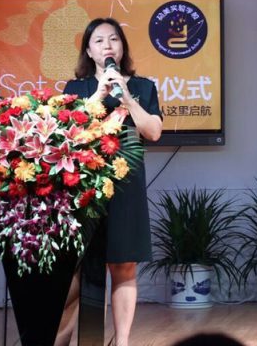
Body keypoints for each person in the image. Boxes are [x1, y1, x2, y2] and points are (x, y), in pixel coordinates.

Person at [64, 17, 163, 346]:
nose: (107, 45)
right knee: (79, 268)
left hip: (126, 184)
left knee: (123, 265)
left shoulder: (143, 87)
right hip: (85, 185)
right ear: (89, 51)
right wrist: (99, 94)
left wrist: (128, 99)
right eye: (99, 40)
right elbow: (68, 133)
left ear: (122, 47)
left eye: (114, 39)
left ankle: (121, 342)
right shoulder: (76, 89)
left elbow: (153, 132)